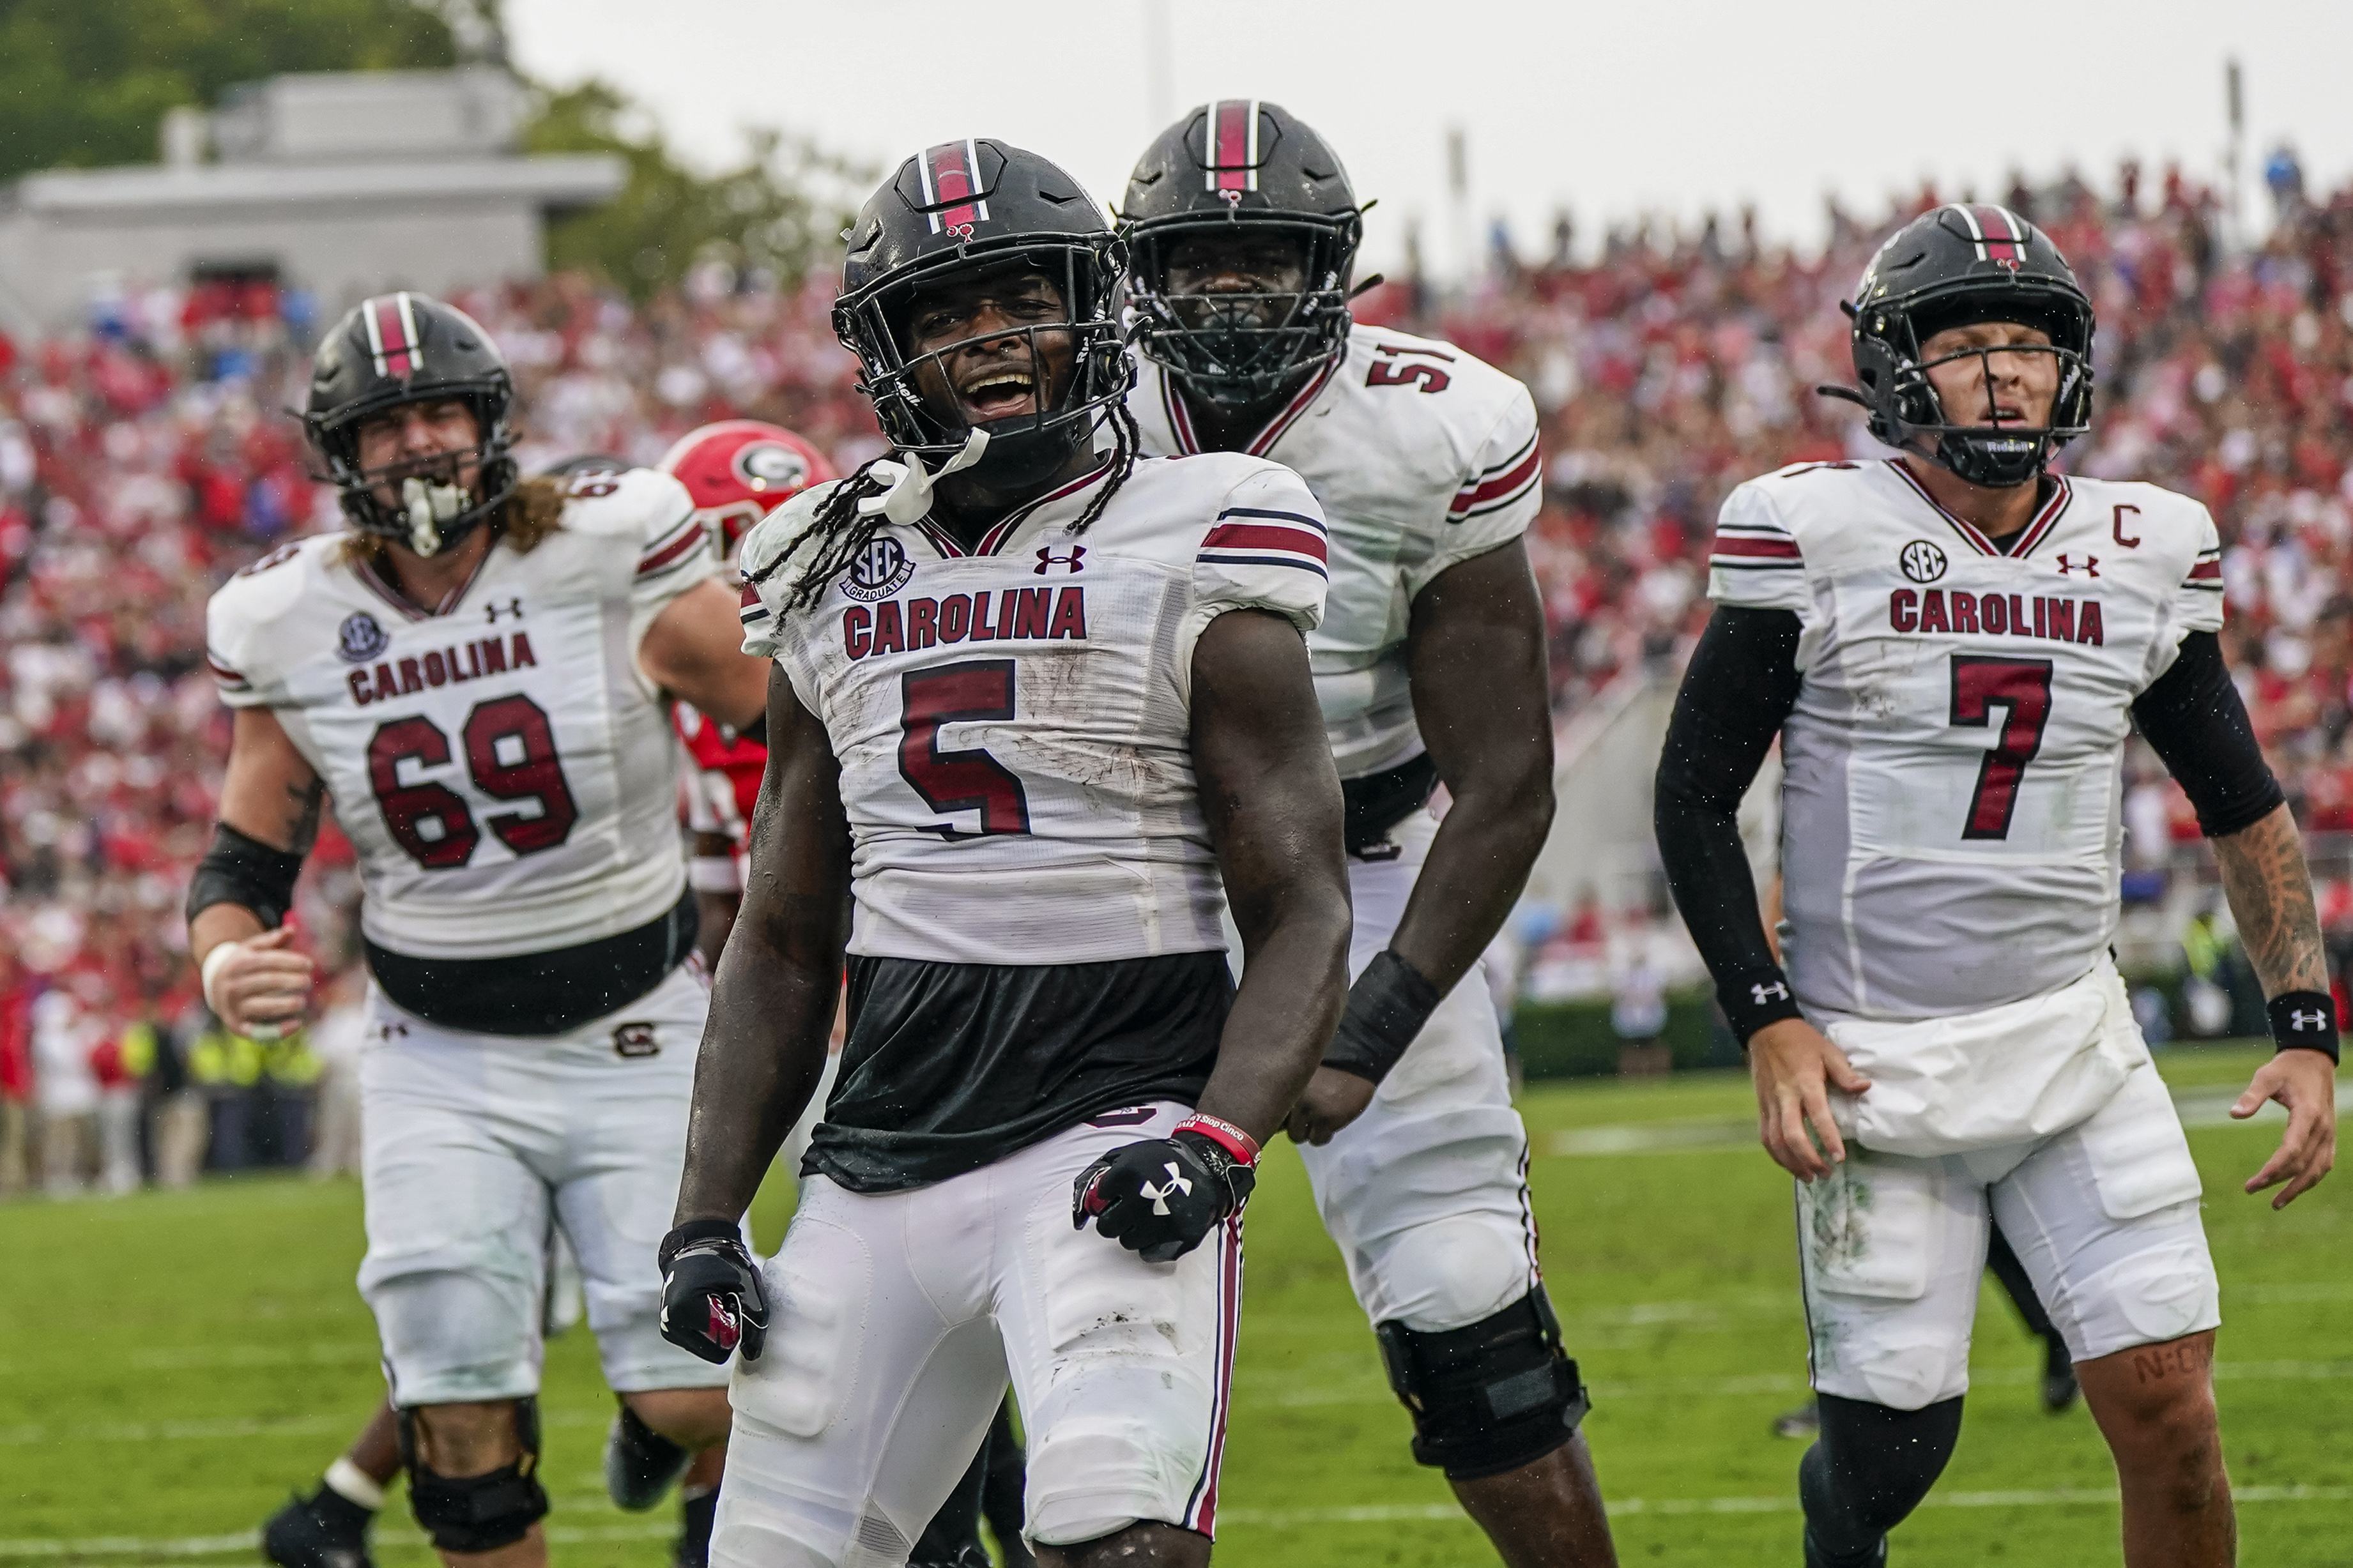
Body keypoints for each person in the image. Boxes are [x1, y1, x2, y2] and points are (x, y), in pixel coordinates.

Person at [658, 138, 1354, 1568]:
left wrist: (1218, 1138)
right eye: (944, 315)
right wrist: (705, 1219)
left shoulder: (1201, 525)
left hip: (1110, 1122)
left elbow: (1301, 903)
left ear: (1091, 309)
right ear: (886, 352)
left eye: (1021, 298)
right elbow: (785, 936)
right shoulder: (826, 562)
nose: (990, 339)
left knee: (1115, 1531)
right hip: (883, 1149)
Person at [1655, 204, 2337, 1568]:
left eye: (2030, 345)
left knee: (2174, 1417)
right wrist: (1766, 1015)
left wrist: (2305, 1023)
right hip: (1870, 1057)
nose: (2007, 374)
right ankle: (1837, 1532)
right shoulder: (1812, 529)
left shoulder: (2147, 547)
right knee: (1895, 1454)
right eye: (1968, 346)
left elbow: (2242, 802)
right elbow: (1688, 794)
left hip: (2074, 1045)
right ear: (1897, 367)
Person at [193, 292, 770, 1568]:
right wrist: (229, 955)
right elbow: (244, 856)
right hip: (436, 1050)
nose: (417, 443)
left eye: (440, 410)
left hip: (635, 1018)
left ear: (491, 419)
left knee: (692, 1387)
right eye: (387, 424)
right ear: (344, 453)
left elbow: (782, 709)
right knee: (455, 1411)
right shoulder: (287, 616)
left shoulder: (604, 547)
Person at [1118, 102, 1614, 1567]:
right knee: (1039, 1301)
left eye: (1266, 259)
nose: (1230, 293)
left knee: (1471, 1312)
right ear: (1142, 274)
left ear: (1333, 266)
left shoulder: (1430, 424)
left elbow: (1508, 779)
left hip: (1371, 863)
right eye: (1199, 263)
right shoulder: (1074, 417)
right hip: (1125, 878)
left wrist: (1371, 1026)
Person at [655, 417, 1031, 1568]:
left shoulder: (852, 647)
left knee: (902, 1332)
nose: (731, 580)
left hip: (922, 1030)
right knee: (858, 1337)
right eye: (720, 549)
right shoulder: (749, 685)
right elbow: (743, 925)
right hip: (827, 1027)